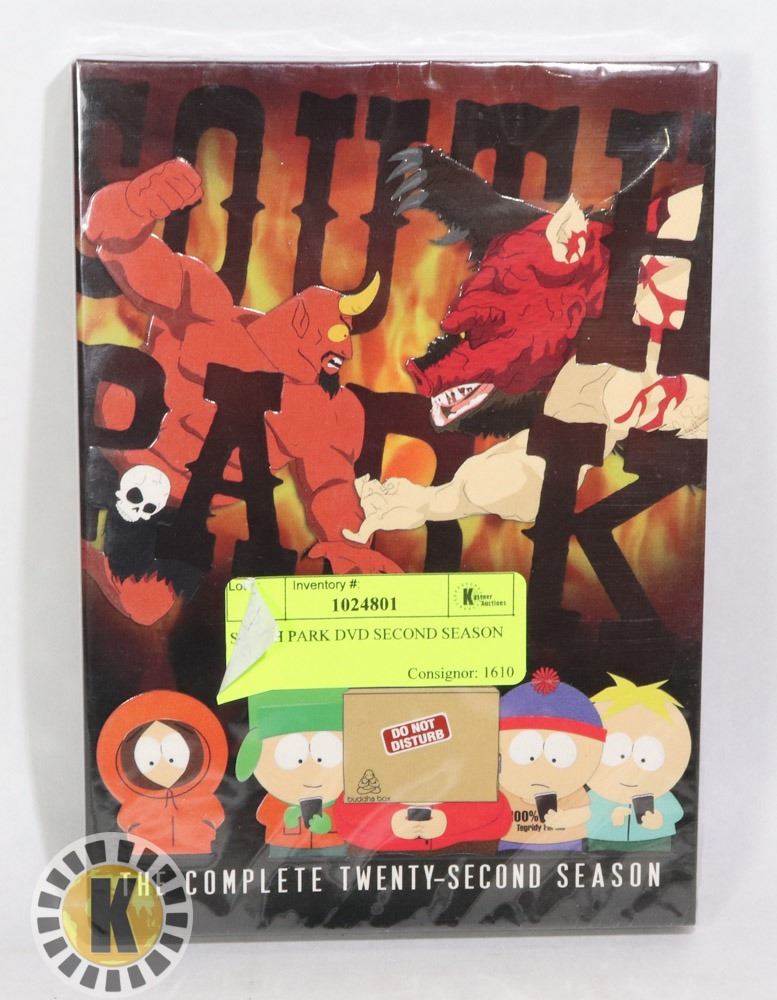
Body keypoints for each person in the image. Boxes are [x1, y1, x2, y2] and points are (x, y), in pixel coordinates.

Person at [236, 689, 347, 857]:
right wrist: (288, 818)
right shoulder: (276, 801)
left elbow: (349, 820)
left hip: (331, 849)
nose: (310, 771)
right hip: (283, 850)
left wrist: (326, 824)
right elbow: (264, 816)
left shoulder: (338, 803)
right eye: (294, 758)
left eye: (324, 757)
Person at [587, 674, 691, 851]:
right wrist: (612, 819)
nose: (631, 767)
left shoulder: (660, 795)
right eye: (618, 754)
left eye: (646, 758)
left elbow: (677, 813)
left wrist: (659, 820)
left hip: (653, 844)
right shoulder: (598, 796)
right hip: (604, 844)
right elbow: (586, 815)